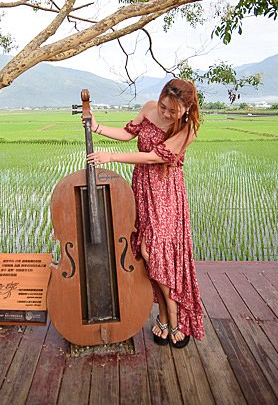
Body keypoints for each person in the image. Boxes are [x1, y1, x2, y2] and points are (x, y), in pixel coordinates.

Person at [85, 78, 205, 348]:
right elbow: (129, 133)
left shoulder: (188, 130)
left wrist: (111, 157)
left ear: (187, 108)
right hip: (141, 187)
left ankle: (173, 316)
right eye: (163, 106)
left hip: (166, 192)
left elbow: (155, 157)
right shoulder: (149, 108)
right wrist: (98, 127)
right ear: (160, 98)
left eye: (172, 111)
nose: (164, 114)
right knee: (148, 253)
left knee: (156, 252)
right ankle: (163, 316)